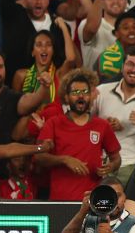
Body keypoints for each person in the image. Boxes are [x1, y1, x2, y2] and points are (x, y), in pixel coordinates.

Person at [35, 72, 122, 200]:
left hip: (92, 201)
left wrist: (110, 167)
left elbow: (116, 159)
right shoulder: (53, 123)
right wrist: (64, 159)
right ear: (66, 96)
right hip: (60, 200)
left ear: (91, 96)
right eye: (75, 92)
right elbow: (38, 157)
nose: (81, 96)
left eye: (85, 92)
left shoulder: (102, 125)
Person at [94, 46, 135, 186]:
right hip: (101, 164)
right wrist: (102, 125)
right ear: (122, 66)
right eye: (130, 64)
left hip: (134, 166)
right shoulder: (101, 91)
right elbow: (83, 122)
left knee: (131, 208)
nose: (133, 69)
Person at [58, 175, 135, 233]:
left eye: (117, 196)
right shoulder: (86, 220)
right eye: (107, 197)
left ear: (124, 198)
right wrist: (82, 212)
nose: (113, 201)